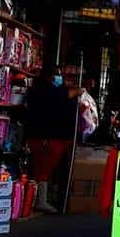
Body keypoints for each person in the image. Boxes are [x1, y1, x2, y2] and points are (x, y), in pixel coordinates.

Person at [24, 65, 77, 212]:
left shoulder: (37, 90)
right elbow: (60, 99)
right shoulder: (49, 92)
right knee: (44, 169)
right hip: (47, 136)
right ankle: (40, 200)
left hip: (39, 134)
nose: (59, 78)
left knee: (41, 168)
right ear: (51, 77)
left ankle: (37, 198)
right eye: (57, 75)